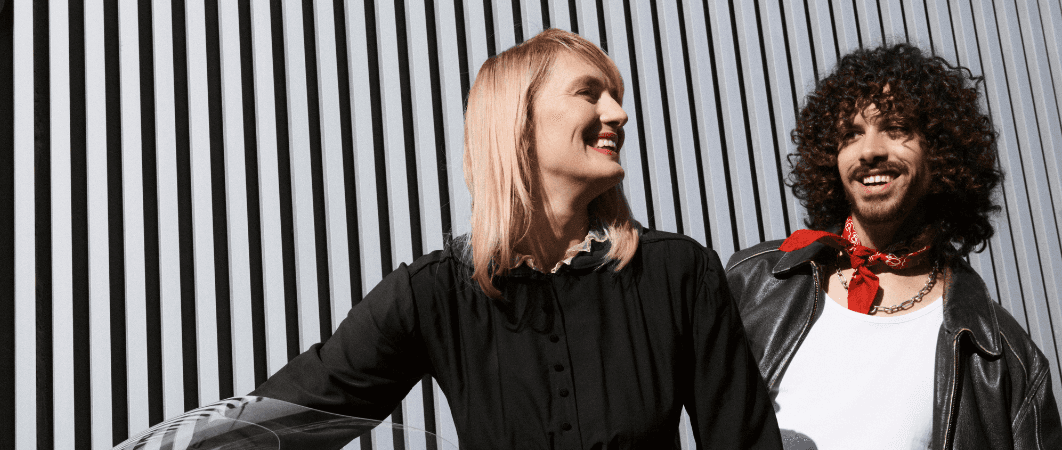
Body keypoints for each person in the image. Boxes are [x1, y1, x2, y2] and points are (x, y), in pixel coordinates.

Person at [253, 28, 780, 448]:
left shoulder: (678, 272)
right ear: (518, 121)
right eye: (589, 93)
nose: (618, 115)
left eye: (616, 97)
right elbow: (276, 424)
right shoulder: (433, 292)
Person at [725, 43, 1062, 449]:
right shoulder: (754, 283)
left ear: (940, 151)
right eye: (851, 134)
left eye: (896, 128)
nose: (869, 151)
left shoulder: (1002, 356)